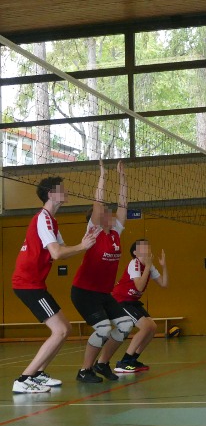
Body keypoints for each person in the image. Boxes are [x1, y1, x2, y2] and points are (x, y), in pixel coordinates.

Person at [11, 176, 96, 394]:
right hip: (27, 284)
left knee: (64, 329)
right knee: (59, 330)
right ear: (51, 194)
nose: (66, 192)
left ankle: (38, 374)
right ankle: (24, 379)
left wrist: (83, 244)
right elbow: (57, 254)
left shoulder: (51, 220)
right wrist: (82, 246)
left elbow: (63, 251)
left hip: (34, 283)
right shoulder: (43, 218)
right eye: (62, 189)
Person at [71, 160, 135, 383]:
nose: (111, 213)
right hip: (84, 292)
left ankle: (102, 363)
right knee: (103, 329)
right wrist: (103, 175)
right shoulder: (95, 230)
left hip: (103, 293)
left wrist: (122, 178)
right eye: (106, 212)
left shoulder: (116, 231)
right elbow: (98, 202)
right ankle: (84, 370)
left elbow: (123, 204)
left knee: (126, 325)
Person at [110, 239, 168, 373]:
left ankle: (132, 360)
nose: (146, 248)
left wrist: (164, 266)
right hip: (121, 300)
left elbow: (164, 284)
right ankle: (123, 362)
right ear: (135, 252)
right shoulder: (134, 264)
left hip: (132, 301)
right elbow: (140, 287)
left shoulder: (150, 266)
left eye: (148, 246)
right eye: (142, 247)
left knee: (152, 327)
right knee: (145, 326)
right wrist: (148, 267)